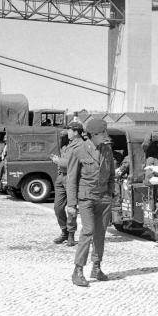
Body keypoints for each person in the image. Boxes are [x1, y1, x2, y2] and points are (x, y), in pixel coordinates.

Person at [66, 118, 115, 287]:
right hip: (86, 198)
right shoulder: (79, 149)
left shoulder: (107, 149)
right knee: (88, 230)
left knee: (100, 233)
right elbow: (71, 179)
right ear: (93, 135)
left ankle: (97, 266)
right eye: (102, 134)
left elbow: (111, 175)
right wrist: (71, 204)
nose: (105, 137)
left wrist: (110, 194)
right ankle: (78, 270)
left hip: (103, 198)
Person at [50, 121, 84, 246]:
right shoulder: (70, 144)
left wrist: (58, 160)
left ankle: (70, 234)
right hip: (61, 177)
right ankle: (64, 231)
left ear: (75, 132)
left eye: (69, 130)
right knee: (58, 208)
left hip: (71, 178)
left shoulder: (80, 145)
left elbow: (69, 163)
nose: (67, 132)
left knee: (71, 207)